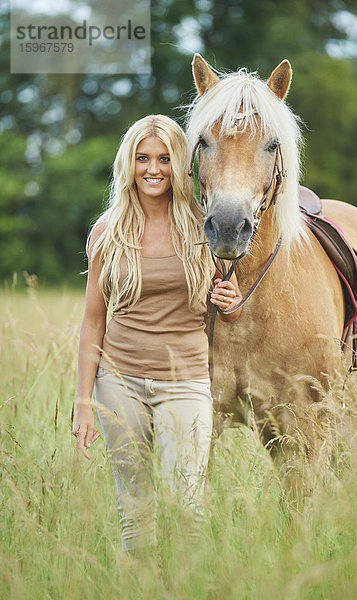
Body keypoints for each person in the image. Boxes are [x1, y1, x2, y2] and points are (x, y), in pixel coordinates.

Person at [72, 114, 242, 554]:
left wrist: (231, 302)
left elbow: (229, 306)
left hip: (184, 383)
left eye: (165, 158)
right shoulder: (107, 233)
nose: (153, 169)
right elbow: (94, 322)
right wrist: (83, 404)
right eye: (143, 158)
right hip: (119, 385)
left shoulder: (204, 228)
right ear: (128, 164)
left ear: (180, 164)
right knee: (135, 514)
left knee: (188, 510)